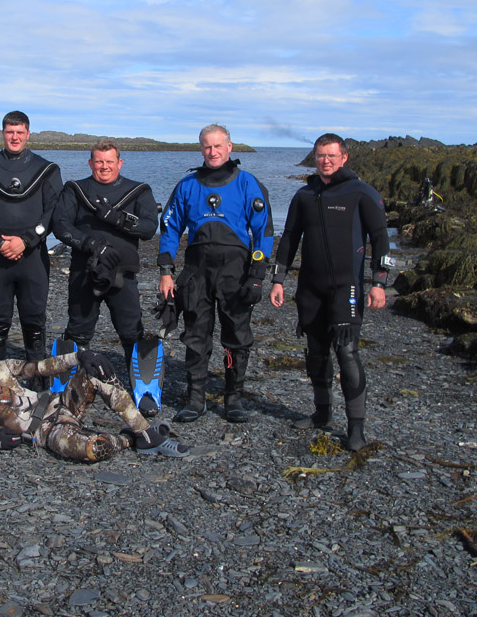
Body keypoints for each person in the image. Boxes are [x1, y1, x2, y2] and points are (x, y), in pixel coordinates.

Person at [268, 133, 391, 451]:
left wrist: (379, 283)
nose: (325, 161)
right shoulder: (304, 195)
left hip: (346, 288)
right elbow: (289, 238)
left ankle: (356, 427)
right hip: (311, 287)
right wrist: (279, 279)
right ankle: (322, 413)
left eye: (332, 155)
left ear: (344, 157)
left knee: (347, 353)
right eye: (321, 155)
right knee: (316, 351)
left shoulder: (361, 192)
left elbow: (380, 238)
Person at [158, 124, 274, 424]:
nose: (213, 152)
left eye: (218, 146)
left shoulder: (247, 183)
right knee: (196, 336)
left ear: (230, 147)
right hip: (197, 272)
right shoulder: (187, 185)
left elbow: (263, 231)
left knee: (237, 336)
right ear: (201, 148)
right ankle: (195, 398)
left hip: (236, 273)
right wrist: (166, 270)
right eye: (207, 146)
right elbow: (170, 227)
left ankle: (233, 397)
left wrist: (257, 275)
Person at [0, 331, 188, 460]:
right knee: (94, 450)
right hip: (46, 432)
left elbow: (41, 367)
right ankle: (130, 439)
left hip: (58, 403)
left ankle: (145, 432)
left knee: (97, 374)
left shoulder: (2, 366)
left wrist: (80, 357)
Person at [0, 111, 62, 365]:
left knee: (35, 322)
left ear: (28, 134)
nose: (15, 137)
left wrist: (27, 240)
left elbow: (54, 210)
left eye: (20, 132)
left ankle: (37, 376)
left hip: (33, 257)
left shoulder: (47, 169)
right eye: (10, 132)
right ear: (3, 133)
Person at [52, 140, 158, 361]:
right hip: (84, 269)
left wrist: (119, 220)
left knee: (131, 330)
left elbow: (149, 228)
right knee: (78, 328)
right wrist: (91, 244)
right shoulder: (75, 189)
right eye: (99, 162)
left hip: (123, 271)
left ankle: (137, 376)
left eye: (109, 161)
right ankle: (73, 373)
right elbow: (61, 226)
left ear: (120, 163)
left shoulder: (139, 190)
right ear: (90, 163)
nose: (104, 166)